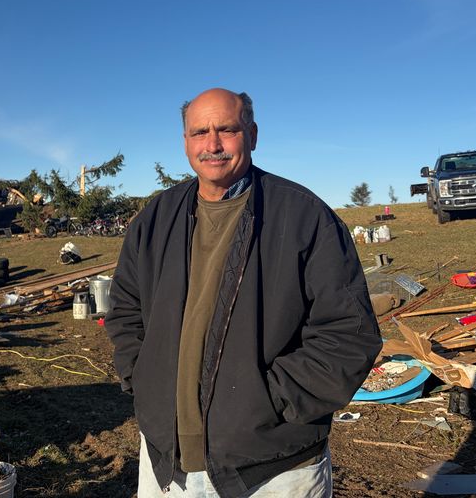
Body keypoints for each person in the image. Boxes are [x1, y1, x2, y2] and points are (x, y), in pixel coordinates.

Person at [105, 88, 382, 497]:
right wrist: (143, 377)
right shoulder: (155, 218)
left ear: (252, 134)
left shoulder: (305, 216)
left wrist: (267, 402)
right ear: (185, 141)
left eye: (226, 129)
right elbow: (125, 310)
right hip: (167, 461)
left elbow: (348, 334)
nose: (212, 144)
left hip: (272, 467)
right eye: (200, 132)